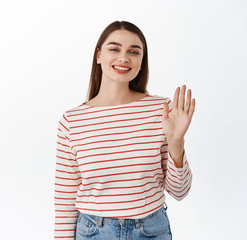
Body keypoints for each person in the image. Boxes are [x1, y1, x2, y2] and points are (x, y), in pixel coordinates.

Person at [54, 20, 195, 240]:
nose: (124, 58)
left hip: (151, 231)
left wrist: (177, 142)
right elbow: (65, 199)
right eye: (114, 49)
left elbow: (180, 192)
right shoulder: (72, 121)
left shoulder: (162, 110)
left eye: (134, 52)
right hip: (94, 233)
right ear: (98, 56)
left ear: (141, 62)